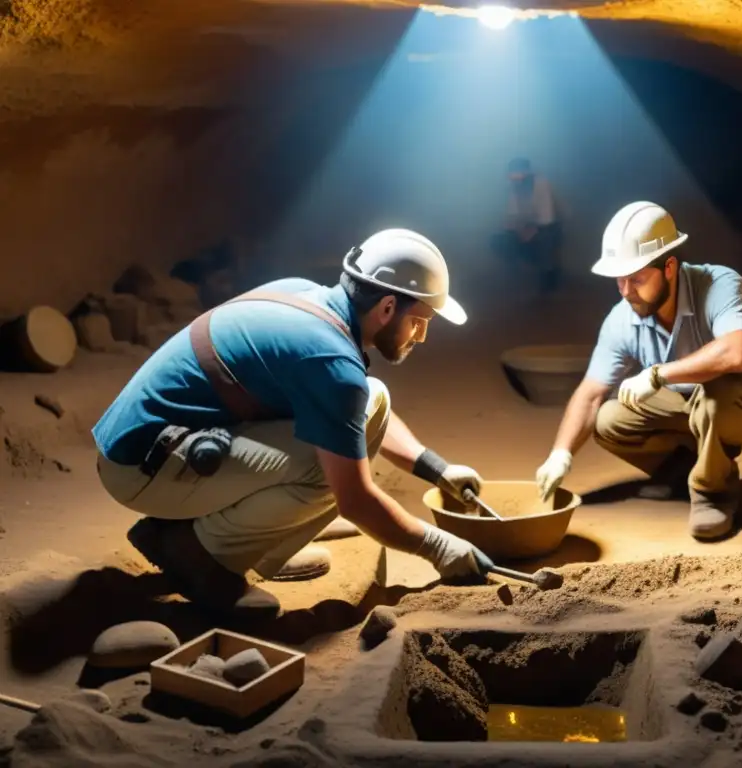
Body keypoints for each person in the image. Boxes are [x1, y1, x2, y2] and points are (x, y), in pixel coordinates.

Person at [92, 228, 495, 616]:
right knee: (329, 476)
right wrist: (440, 547)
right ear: (387, 307)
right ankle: (199, 553)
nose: (421, 336)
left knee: (374, 398)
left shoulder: (302, 293)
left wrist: (436, 469)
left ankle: (257, 541)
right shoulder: (332, 364)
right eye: (419, 321)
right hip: (141, 466)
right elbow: (356, 500)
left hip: (152, 441)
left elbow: (348, 413)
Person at [533, 201, 742, 540]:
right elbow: (590, 392)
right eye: (619, 281)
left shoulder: (719, 284)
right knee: (608, 418)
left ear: (669, 267)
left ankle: (713, 494)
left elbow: (735, 354)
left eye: (637, 279)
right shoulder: (622, 318)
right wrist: (560, 454)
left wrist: (657, 374)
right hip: (685, 403)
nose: (627, 292)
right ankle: (679, 472)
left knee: (721, 393)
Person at [490, 157, 562, 292]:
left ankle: (549, 274)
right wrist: (514, 228)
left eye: (518, 174)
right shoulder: (514, 188)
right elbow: (512, 214)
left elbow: (547, 218)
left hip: (550, 228)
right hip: (525, 227)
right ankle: (523, 266)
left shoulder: (541, 184)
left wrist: (529, 231)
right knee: (498, 241)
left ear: (527, 173)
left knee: (545, 241)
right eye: (512, 176)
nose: (515, 179)